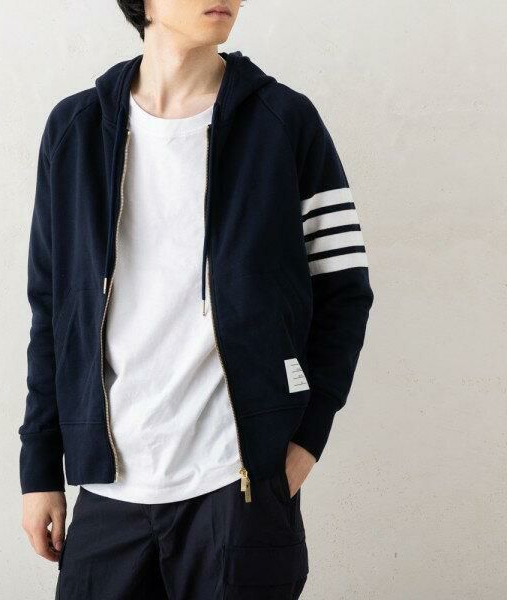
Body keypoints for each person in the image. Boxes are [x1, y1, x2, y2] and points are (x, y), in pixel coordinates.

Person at [19, 1, 374, 598]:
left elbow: (344, 291)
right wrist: (39, 466)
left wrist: (306, 439)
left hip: (237, 489)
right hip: (108, 492)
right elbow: (51, 311)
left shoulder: (284, 123)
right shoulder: (75, 130)